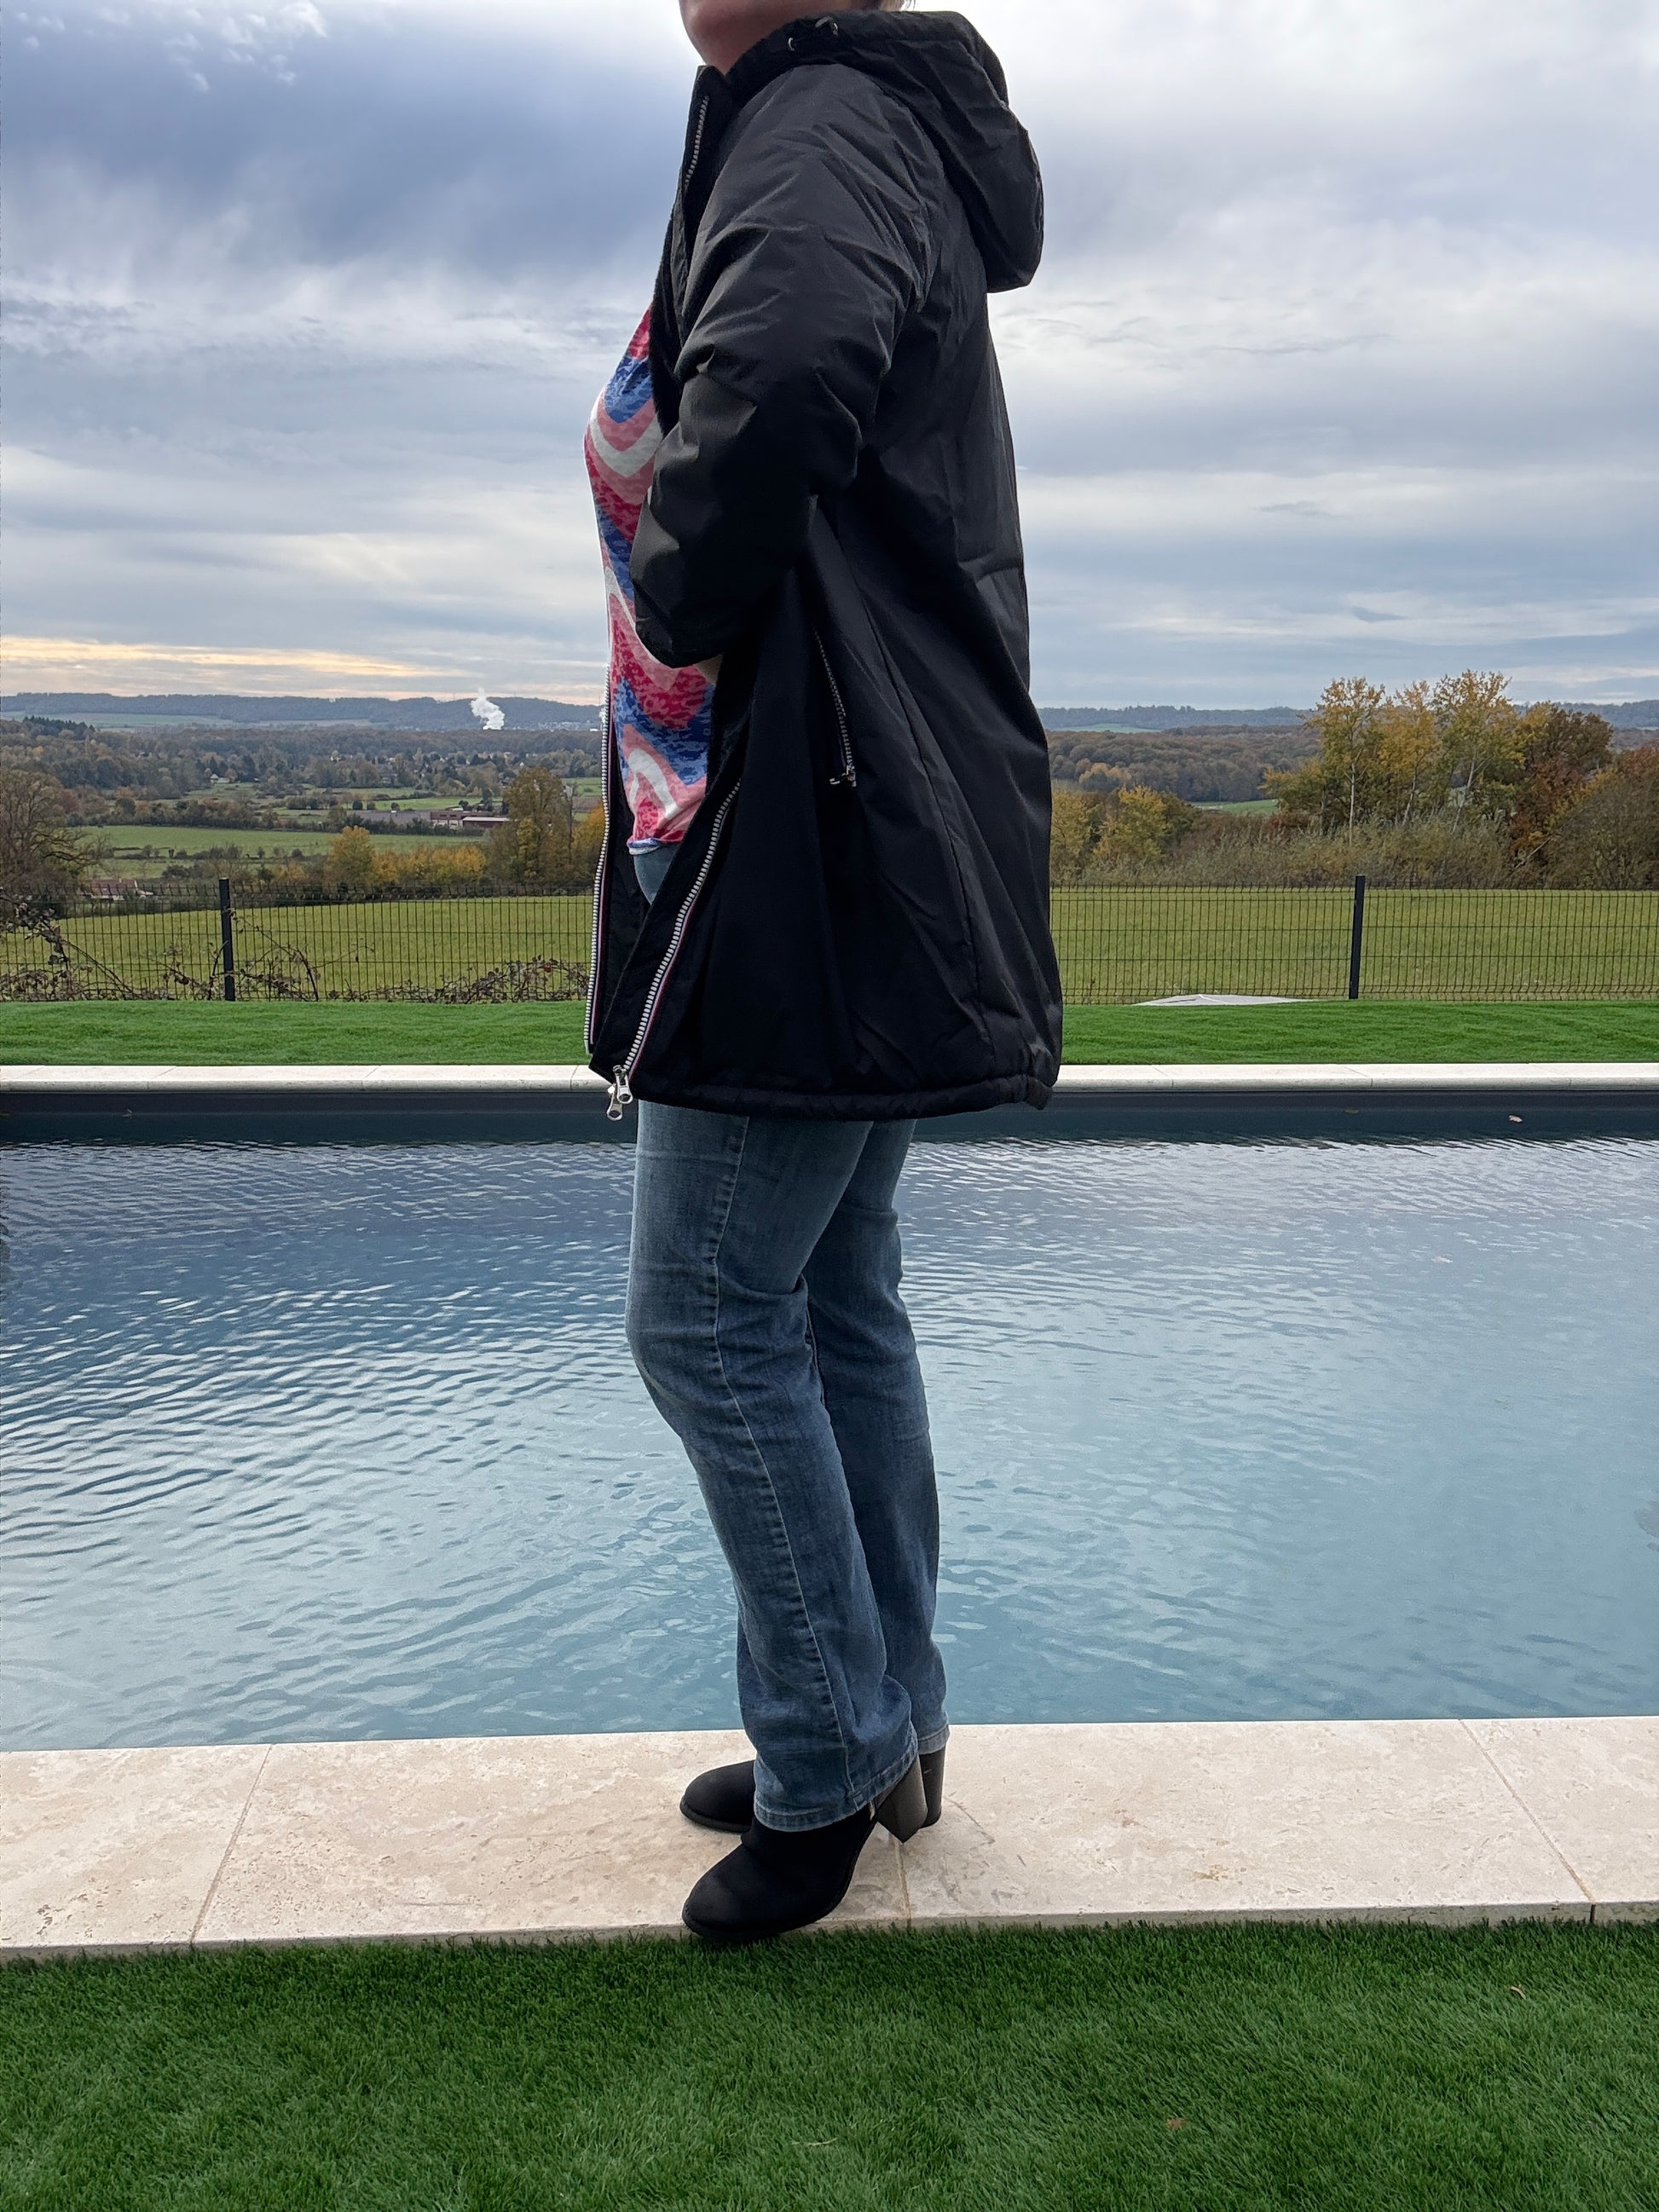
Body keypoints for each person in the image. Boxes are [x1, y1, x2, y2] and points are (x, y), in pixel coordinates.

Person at [583, 0, 1060, 1944]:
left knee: (704, 1313)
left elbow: (778, 381)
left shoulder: (821, 112)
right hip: (859, 812)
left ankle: (826, 1762)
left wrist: (678, 600)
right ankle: (886, 1722)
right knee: (835, 1297)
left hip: (808, 812)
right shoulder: (849, 116)